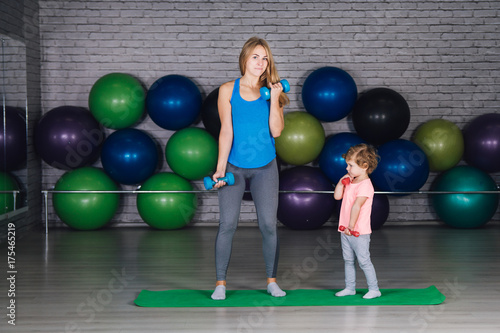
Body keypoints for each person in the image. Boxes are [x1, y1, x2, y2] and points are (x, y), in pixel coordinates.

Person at [210, 37, 290, 300]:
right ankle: (221, 283)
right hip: (234, 165)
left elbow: (276, 131)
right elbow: (226, 131)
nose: (261, 62)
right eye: (256, 56)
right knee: (228, 224)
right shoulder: (226, 90)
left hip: (265, 167)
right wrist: (220, 169)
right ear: (245, 58)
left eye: (265, 58)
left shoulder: (270, 92)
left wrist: (276, 99)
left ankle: (271, 281)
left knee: (268, 224)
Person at [333, 144, 382, 299]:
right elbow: (337, 197)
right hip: (345, 230)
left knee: (363, 261)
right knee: (348, 260)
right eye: (347, 165)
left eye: (351, 165)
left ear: (364, 166)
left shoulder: (366, 186)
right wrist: (341, 183)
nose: (347, 168)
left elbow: (356, 207)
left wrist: (351, 226)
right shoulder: (351, 181)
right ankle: (350, 287)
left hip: (357, 231)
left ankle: (374, 289)